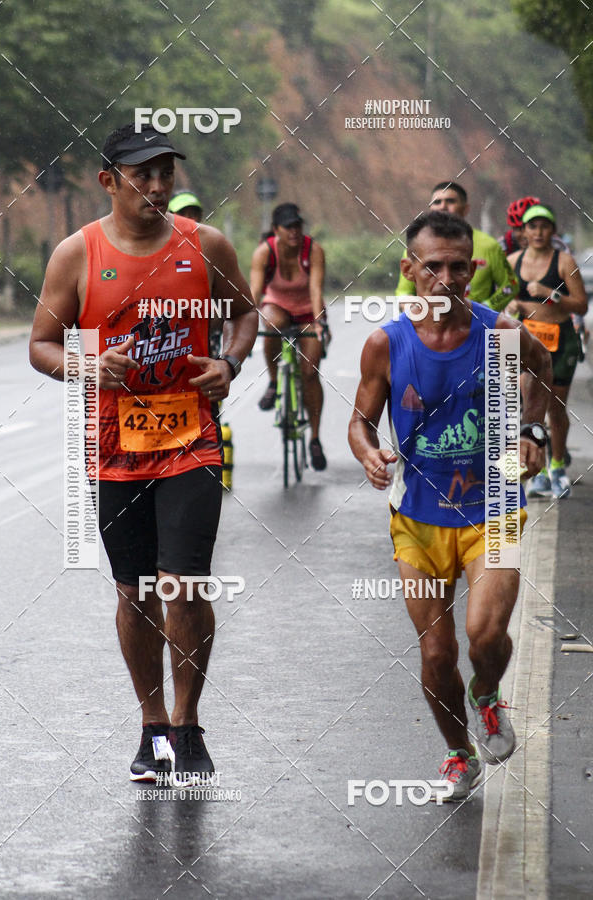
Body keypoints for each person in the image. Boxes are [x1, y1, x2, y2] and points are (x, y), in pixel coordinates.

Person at [29, 123, 258, 785]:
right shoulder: (77, 255)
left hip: (191, 441)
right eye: (142, 174)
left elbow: (244, 314)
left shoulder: (205, 245)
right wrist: (86, 364)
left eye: (166, 173)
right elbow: (42, 344)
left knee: (185, 583)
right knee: (134, 593)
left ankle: (188, 725)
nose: (157, 186)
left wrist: (231, 361)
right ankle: (151, 723)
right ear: (109, 181)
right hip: (115, 451)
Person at [349, 211, 552, 801]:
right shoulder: (386, 343)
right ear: (409, 270)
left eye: (456, 267)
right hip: (416, 516)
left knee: (484, 635)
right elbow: (360, 423)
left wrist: (531, 434)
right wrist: (367, 453)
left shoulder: (501, 334)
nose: (444, 279)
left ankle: (486, 696)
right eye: (430, 267)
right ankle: (458, 754)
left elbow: (538, 375)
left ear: (473, 269)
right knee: (437, 652)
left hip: (493, 504)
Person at [507, 204, 588, 499]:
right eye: (532, 226)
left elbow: (581, 305)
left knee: (555, 406)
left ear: (552, 231)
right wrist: (513, 305)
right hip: (527, 343)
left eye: (544, 226)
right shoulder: (512, 261)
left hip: (560, 340)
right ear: (524, 232)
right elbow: (503, 299)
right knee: (530, 407)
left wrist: (551, 295)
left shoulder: (564, 261)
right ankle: (535, 472)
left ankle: (557, 467)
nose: (538, 232)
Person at [250, 202, 328, 470]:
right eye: (288, 227)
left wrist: (319, 324)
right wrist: (247, 323)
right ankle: (273, 382)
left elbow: (316, 290)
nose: (294, 231)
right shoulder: (264, 252)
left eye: (298, 225)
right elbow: (256, 294)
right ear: (276, 230)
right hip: (278, 306)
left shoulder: (314, 251)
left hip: (308, 310)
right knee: (270, 325)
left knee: (309, 373)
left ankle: (315, 439)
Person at [396, 181, 518, 312]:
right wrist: (420, 313)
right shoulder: (418, 245)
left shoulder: (489, 245)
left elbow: (510, 286)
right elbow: (403, 292)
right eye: (437, 202)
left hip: (477, 327)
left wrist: (484, 308)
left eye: (450, 201)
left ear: (465, 208)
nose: (443, 206)